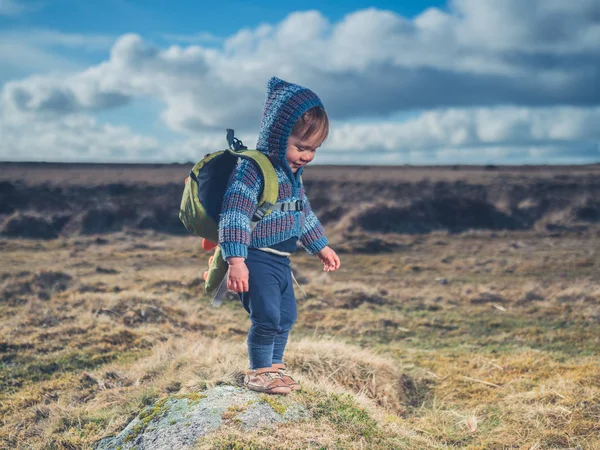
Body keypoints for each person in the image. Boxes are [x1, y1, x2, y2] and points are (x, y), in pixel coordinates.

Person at [218, 76, 340, 395]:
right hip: (256, 257)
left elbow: (303, 213)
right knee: (268, 316)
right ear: (277, 135)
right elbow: (235, 214)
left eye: (313, 149)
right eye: (300, 147)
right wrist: (236, 260)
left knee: (286, 316)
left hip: (282, 261)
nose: (307, 156)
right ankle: (259, 370)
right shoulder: (254, 170)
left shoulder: (294, 176)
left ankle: (274, 366)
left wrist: (320, 247)